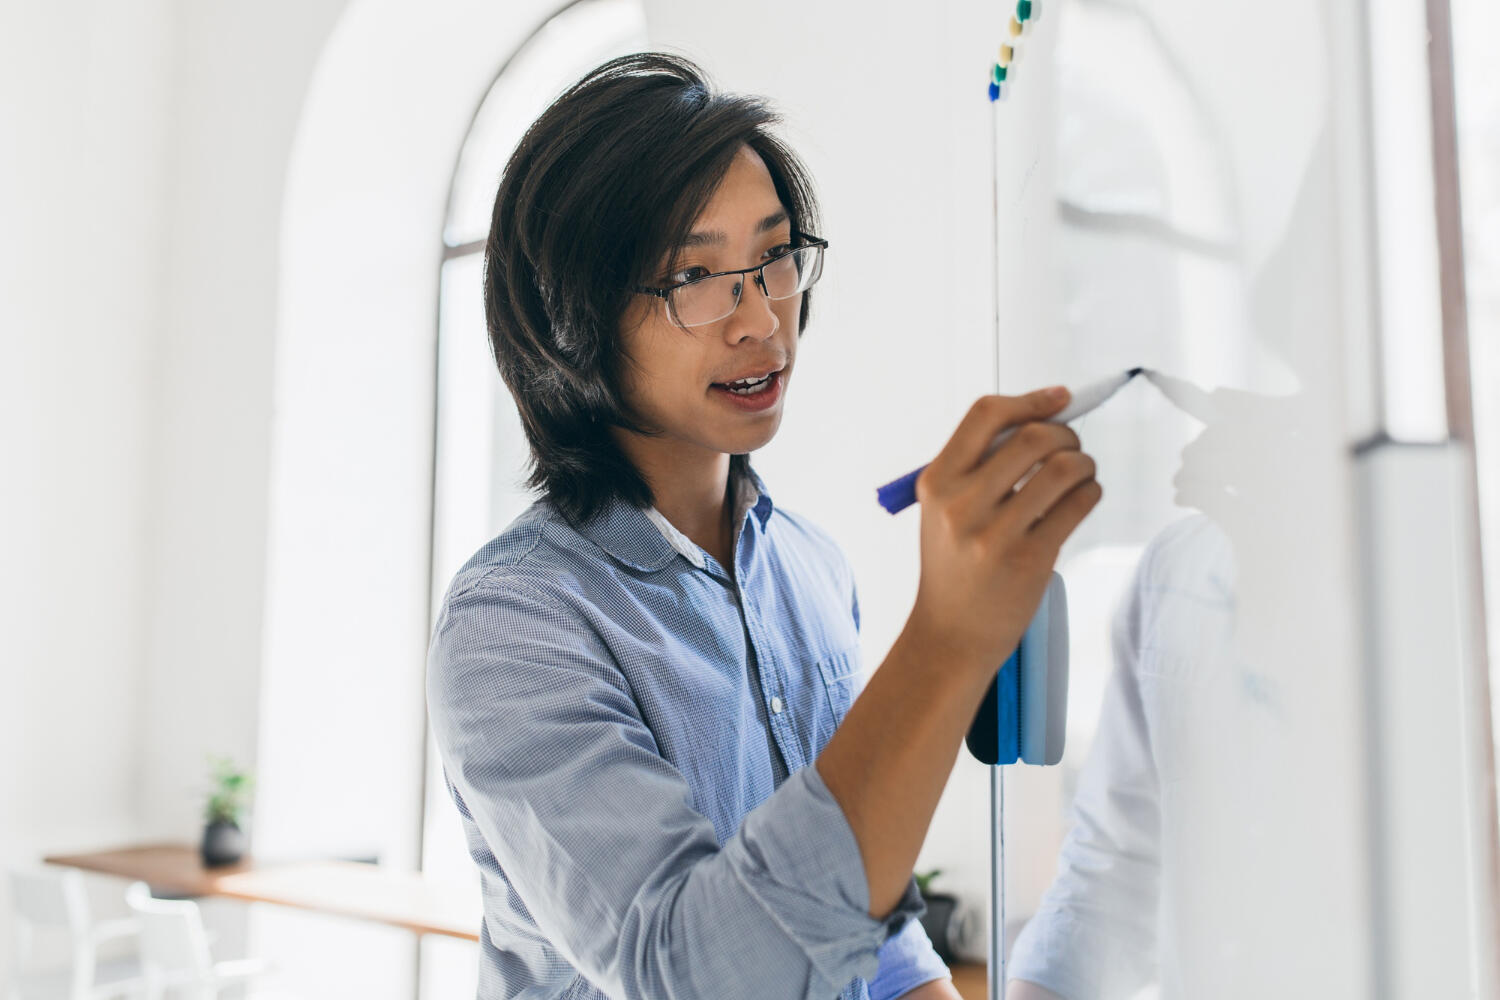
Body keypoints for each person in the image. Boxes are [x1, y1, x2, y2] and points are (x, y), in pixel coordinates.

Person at [425, 52, 1103, 1000]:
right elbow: (692, 973)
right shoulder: (515, 626)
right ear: (571, 317)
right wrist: (947, 639)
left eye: (774, 257)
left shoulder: (811, 568)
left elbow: (871, 929)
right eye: (693, 275)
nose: (759, 320)